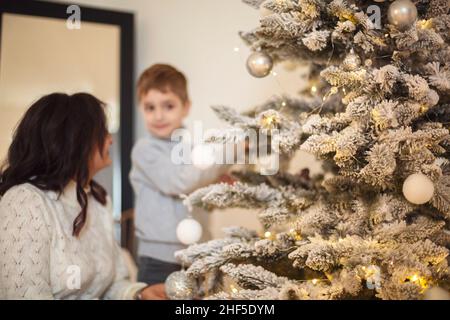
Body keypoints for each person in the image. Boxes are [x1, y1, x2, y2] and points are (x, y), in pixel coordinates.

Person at [0, 93, 165, 299]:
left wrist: (140, 294)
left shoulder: (97, 200)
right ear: (75, 141)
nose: (111, 140)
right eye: (103, 132)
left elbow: (111, 284)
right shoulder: (24, 202)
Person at [130, 64, 231, 285]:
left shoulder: (194, 148)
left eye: (168, 106)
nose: (158, 115)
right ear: (140, 108)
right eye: (149, 107)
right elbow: (179, 181)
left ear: (186, 107)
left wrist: (215, 181)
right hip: (159, 259)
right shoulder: (145, 149)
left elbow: (196, 180)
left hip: (200, 251)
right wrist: (230, 152)